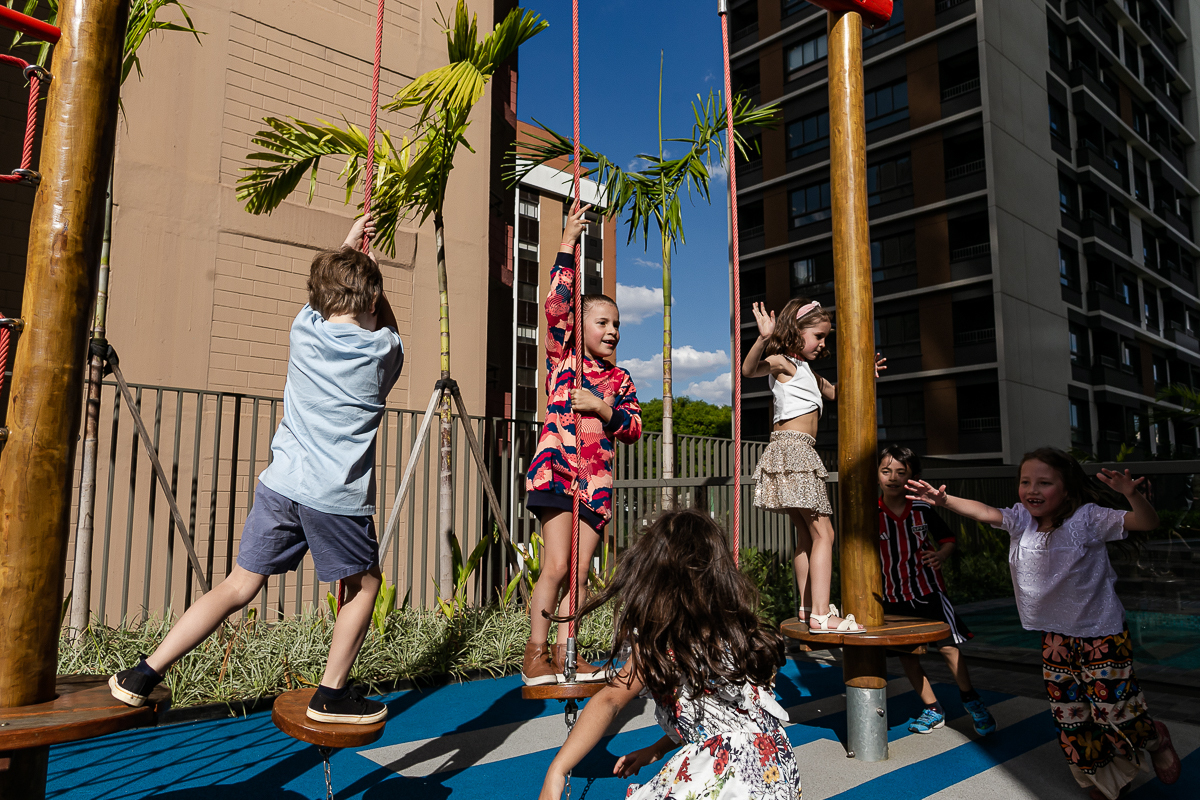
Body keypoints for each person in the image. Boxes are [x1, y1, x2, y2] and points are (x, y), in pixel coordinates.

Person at [110, 214, 403, 725]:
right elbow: (388, 327)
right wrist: (373, 277)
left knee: (239, 585)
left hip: (281, 484)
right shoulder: (382, 351)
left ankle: (142, 673)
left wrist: (349, 249)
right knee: (366, 586)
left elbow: (327, 301)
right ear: (373, 301)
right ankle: (331, 694)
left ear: (319, 300)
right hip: (334, 497)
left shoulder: (302, 332)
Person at [906, 448, 1182, 799]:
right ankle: (1103, 778)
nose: (1032, 490)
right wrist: (944, 501)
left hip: (1101, 634)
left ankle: (1155, 737)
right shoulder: (1021, 519)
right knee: (1071, 717)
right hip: (1055, 638)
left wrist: (1131, 494)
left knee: (1117, 713)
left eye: (1044, 483)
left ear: (1066, 489)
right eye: (1025, 482)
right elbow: (985, 512)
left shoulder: (1088, 518)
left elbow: (1146, 522)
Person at [537, 509, 800, 800]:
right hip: (773, 769)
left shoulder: (661, 640)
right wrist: (657, 749)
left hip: (725, 773)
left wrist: (557, 769)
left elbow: (610, 699)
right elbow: (720, 717)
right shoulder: (734, 630)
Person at [522, 204, 642, 686]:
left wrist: (600, 406)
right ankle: (534, 654)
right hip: (557, 470)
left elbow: (632, 426)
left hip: (596, 485)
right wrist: (568, 241)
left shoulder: (619, 378)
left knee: (578, 572)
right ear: (580, 328)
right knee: (555, 563)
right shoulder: (563, 360)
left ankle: (565, 653)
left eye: (616, 325)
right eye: (601, 323)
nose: (611, 331)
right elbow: (555, 306)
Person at [741, 298, 884, 634]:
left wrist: (868, 376)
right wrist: (763, 338)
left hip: (789, 452)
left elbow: (840, 394)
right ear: (796, 331)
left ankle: (807, 609)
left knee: (806, 535)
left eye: (825, 338)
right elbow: (749, 370)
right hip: (794, 451)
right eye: (818, 335)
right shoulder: (785, 363)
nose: (822, 343)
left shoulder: (808, 373)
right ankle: (822, 613)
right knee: (825, 533)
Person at [877, 444, 997, 736]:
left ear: (913, 476)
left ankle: (971, 699)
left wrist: (941, 555)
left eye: (900, 472)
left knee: (947, 647)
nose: (892, 477)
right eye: (885, 471)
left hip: (928, 591)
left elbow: (948, 539)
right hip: (892, 596)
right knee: (908, 655)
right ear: (877, 475)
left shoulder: (921, 509)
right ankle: (932, 707)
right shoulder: (869, 513)